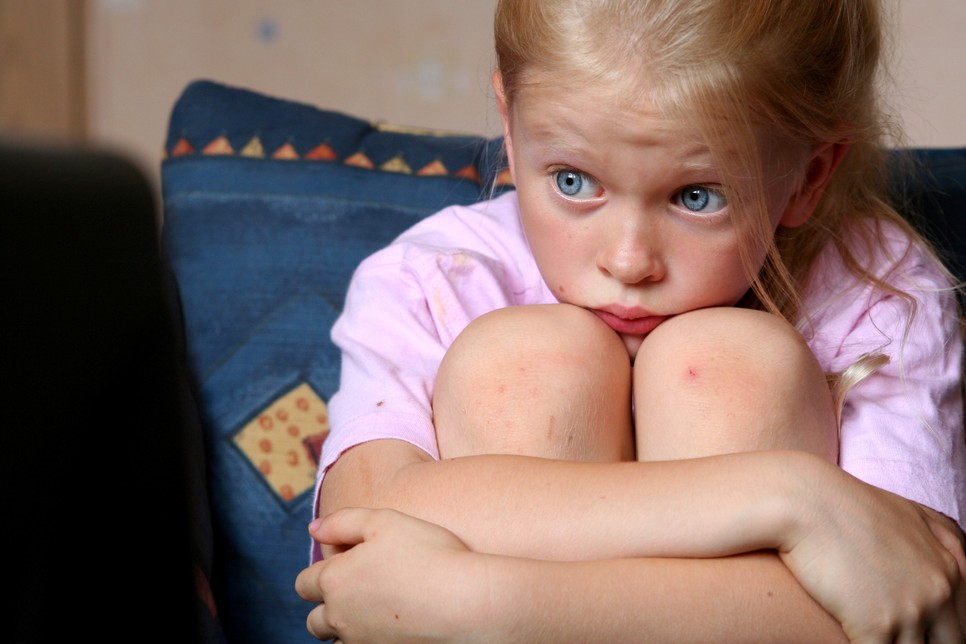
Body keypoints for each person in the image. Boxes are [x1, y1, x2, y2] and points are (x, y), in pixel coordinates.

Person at [296, 0, 966, 641]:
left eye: (697, 197)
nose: (628, 261)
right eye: (572, 181)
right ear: (510, 122)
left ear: (809, 175)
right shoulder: (435, 279)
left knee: (727, 363)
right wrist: (789, 499)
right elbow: (365, 530)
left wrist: (487, 607)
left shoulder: (881, 293)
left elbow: (908, 603)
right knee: (528, 362)